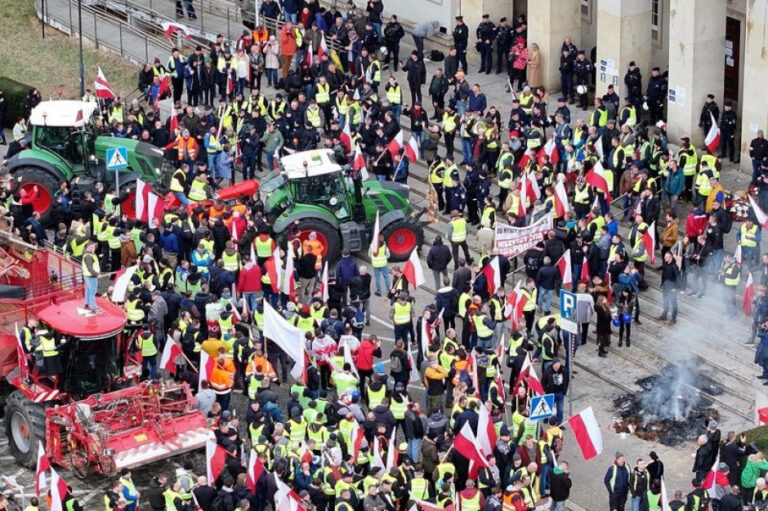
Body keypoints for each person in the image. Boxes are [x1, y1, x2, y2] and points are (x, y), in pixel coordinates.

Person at [82, 240, 100, 312]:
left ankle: (87, 303)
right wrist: (97, 274)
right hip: (91, 276)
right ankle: (93, 307)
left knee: (88, 290)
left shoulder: (86, 253)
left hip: (87, 275)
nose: (94, 248)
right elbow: (90, 268)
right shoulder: (89, 256)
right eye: (92, 247)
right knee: (93, 292)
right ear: (88, 247)